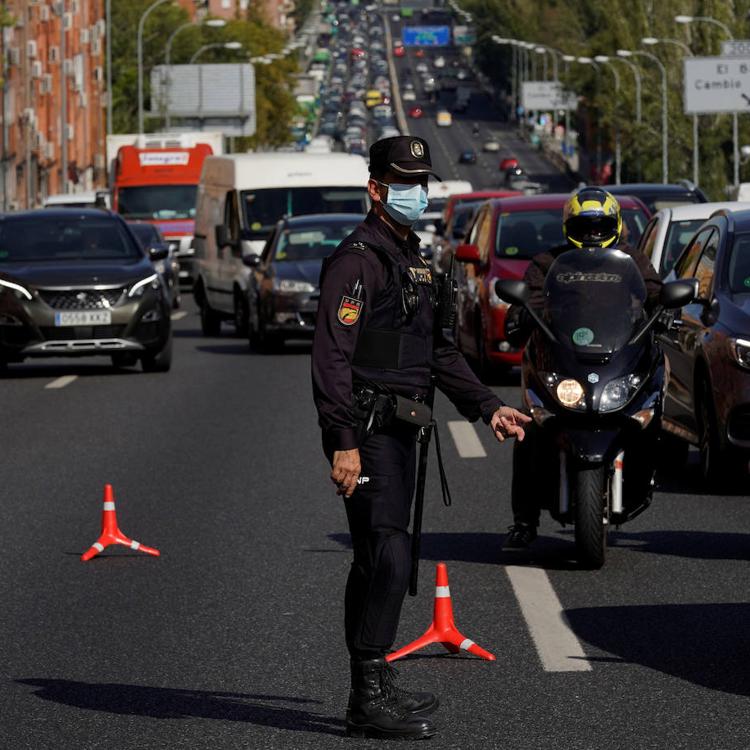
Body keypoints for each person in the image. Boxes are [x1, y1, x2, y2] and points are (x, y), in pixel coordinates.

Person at [312, 135, 530, 741]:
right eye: (404, 184)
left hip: (405, 424)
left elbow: (437, 352)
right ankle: (367, 696)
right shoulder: (357, 259)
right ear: (376, 190)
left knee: (383, 557)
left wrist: (487, 407)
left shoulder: (412, 260)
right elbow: (332, 356)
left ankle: (373, 683)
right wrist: (342, 439)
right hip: (369, 426)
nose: (417, 193)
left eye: (422, 183)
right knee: (388, 553)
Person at [502, 186, 662, 550]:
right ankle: (524, 521)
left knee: (652, 403)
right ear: (568, 226)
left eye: (600, 225)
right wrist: (519, 316)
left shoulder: (631, 259)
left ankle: (645, 469)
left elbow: (653, 292)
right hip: (561, 361)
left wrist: (666, 309)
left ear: (615, 225)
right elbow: (530, 296)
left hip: (616, 358)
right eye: (583, 226)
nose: (592, 234)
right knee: (529, 430)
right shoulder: (548, 262)